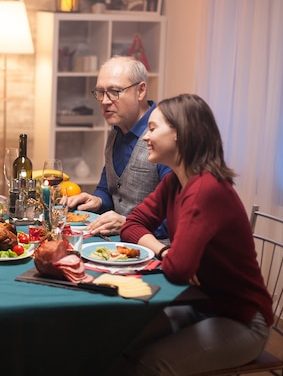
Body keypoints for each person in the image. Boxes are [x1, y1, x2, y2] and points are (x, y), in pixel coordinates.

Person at [115, 94, 273, 374]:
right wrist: (164, 250)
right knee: (117, 342)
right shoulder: (175, 182)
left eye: (153, 129)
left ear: (180, 133)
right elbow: (132, 224)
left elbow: (179, 270)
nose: (144, 138)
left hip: (241, 319)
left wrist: (173, 258)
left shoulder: (205, 190)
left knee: (150, 364)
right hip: (201, 305)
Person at [67, 56, 170, 237]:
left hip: (156, 251)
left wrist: (128, 223)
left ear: (141, 91)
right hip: (117, 246)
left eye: (114, 91)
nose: (105, 101)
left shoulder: (163, 135)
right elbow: (108, 190)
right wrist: (97, 200)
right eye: (100, 92)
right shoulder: (116, 130)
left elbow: (174, 216)